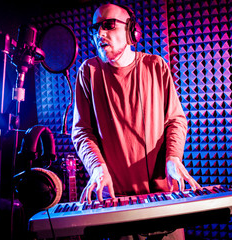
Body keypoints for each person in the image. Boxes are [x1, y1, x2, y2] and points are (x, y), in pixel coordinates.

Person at [72, 3, 200, 239]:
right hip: (116, 206)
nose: (100, 34)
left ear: (132, 32)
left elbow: (175, 120)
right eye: (95, 28)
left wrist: (173, 158)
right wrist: (97, 169)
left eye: (108, 25)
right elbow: (82, 132)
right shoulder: (88, 72)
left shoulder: (155, 65)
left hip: (165, 200)